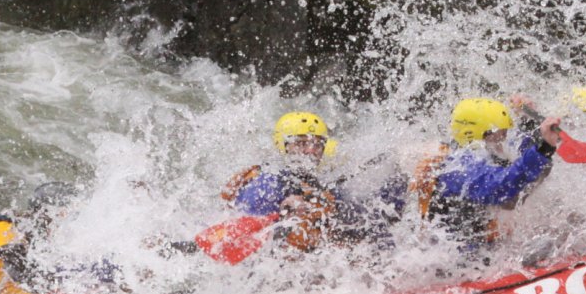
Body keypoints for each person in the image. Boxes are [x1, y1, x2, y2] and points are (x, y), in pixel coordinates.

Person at [222, 111, 402, 252]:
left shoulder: (319, 182)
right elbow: (251, 238)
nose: (311, 150)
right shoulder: (265, 184)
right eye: (301, 143)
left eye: (317, 144)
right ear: (283, 145)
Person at [413, 98, 562, 254]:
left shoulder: (482, 153)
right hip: (457, 258)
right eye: (497, 136)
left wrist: (531, 123)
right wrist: (544, 148)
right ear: (475, 135)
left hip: (485, 247)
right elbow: (502, 187)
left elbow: (521, 153)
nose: (502, 142)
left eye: (504, 134)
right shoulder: (458, 169)